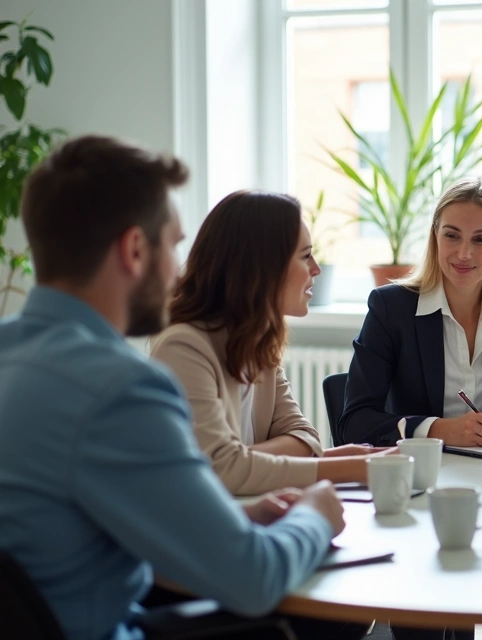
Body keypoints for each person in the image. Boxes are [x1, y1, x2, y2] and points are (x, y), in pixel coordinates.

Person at [0, 135, 351, 640]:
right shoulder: (121, 387)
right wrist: (316, 514)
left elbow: (77, 517)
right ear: (135, 249)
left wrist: (237, 512)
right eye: (174, 244)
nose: (179, 269)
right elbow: (253, 579)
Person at [150, 190, 392, 497]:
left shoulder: (258, 339)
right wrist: (351, 468)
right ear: (262, 267)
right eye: (305, 256)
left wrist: (246, 460)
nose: (316, 268)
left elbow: (307, 439)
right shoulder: (183, 347)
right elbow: (221, 470)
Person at [338, 176, 482, 449]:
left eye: (481, 239)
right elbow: (354, 423)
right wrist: (440, 430)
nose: (464, 253)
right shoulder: (391, 308)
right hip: (419, 473)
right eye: (452, 235)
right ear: (436, 235)